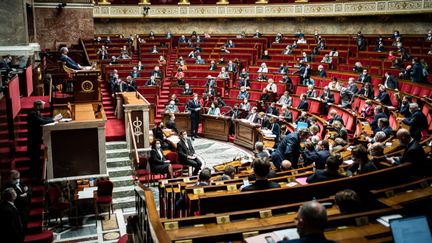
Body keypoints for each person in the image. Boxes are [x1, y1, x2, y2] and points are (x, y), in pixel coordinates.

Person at [27, 100, 59, 175]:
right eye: (42, 104)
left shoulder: (36, 111)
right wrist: (53, 120)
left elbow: (43, 118)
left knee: (37, 155)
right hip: (33, 138)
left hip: (36, 137)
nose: (44, 106)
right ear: (38, 105)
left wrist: (52, 119)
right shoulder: (32, 114)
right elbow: (41, 121)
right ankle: (34, 172)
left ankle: (36, 170)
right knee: (34, 155)